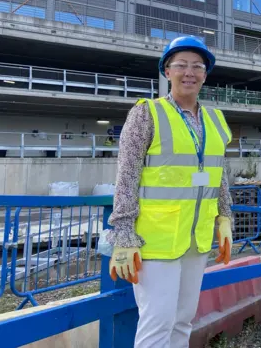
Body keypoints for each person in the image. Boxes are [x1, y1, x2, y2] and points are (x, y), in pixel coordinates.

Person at [106, 36, 234, 348]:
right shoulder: (147, 113)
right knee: (157, 325)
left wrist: (225, 217)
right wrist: (123, 234)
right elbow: (127, 176)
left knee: (183, 321)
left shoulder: (215, 119)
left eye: (197, 66)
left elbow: (219, 174)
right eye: (181, 65)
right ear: (167, 71)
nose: (189, 72)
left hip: (196, 240)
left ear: (205, 75)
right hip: (156, 241)